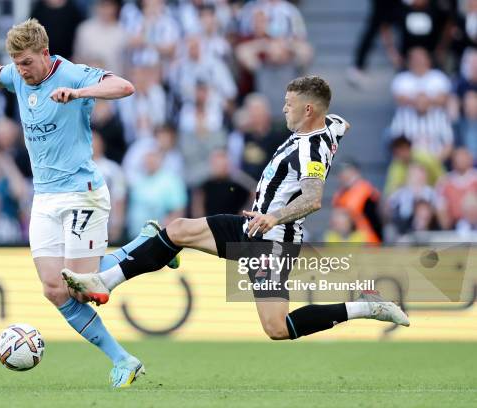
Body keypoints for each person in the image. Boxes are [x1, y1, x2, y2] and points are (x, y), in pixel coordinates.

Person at [65, 76, 410, 342]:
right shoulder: (328, 126)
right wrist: (335, 129)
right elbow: (340, 123)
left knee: (277, 328)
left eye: (289, 104)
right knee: (179, 229)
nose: (284, 109)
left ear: (308, 110)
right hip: (252, 228)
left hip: (273, 241)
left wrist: (273, 215)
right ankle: (105, 281)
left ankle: (368, 306)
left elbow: (313, 198)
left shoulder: (312, 149)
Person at [0, 18, 145, 387]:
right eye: (16, 63)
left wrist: (80, 94)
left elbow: (124, 86)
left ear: (45, 52)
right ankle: (123, 360)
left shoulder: (71, 73)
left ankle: (150, 244)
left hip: (81, 191)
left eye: (26, 63)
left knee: (84, 287)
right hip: (45, 197)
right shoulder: (18, 76)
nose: (20, 71)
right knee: (55, 290)